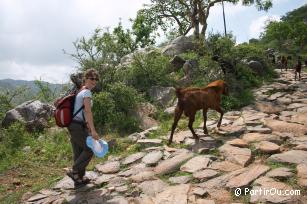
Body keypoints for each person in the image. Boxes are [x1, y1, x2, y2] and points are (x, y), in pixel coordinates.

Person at [66, 68, 100, 188]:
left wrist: (88, 128)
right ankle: (74, 171)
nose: (94, 81)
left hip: (73, 125)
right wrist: (93, 130)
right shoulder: (87, 93)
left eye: (96, 79)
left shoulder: (80, 90)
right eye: (92, 78)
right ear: (85, 79)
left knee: (78, 152)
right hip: (77, 126)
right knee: (90, 149)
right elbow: (87, 111)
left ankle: (78, 179)